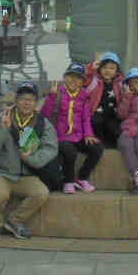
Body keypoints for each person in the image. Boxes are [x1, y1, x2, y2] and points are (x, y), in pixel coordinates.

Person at [0, 82, 58, 241]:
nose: (26, 102)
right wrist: (3, 129)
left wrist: (30, 158)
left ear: (36, 102)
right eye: (22, 98)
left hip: (26, 175)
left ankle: (15, 220)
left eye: (30, 99)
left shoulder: (42, 123)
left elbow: (50, 148)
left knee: (41, 193)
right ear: (16, 100)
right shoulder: (1, 118)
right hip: (1, 172)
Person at [40, 62, 104, 194]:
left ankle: (82, 177)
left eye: (78, 77)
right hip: (60, 137)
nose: (74, 80)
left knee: (97, 148)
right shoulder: (57, 93)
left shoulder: (84, 97)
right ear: (65, 77)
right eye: (71, 76)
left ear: (82, 81)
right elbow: (45, 115)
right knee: (69, 151)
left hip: (78, 136)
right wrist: (51, 97)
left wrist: (88, 135)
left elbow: (85, 119)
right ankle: (68, 181)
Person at [85, 52, 123, 146]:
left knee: (116, 130)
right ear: (99, 69)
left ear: (117, 71)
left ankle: (113, 144)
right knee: (96, 123)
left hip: (113, 116)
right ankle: (100, 144)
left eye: (111, 68)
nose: (107, 71)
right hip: (97, 114)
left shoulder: (120, 83)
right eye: (104, 67)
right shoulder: (94, 80)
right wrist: (91, 68)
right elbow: (85, 80)